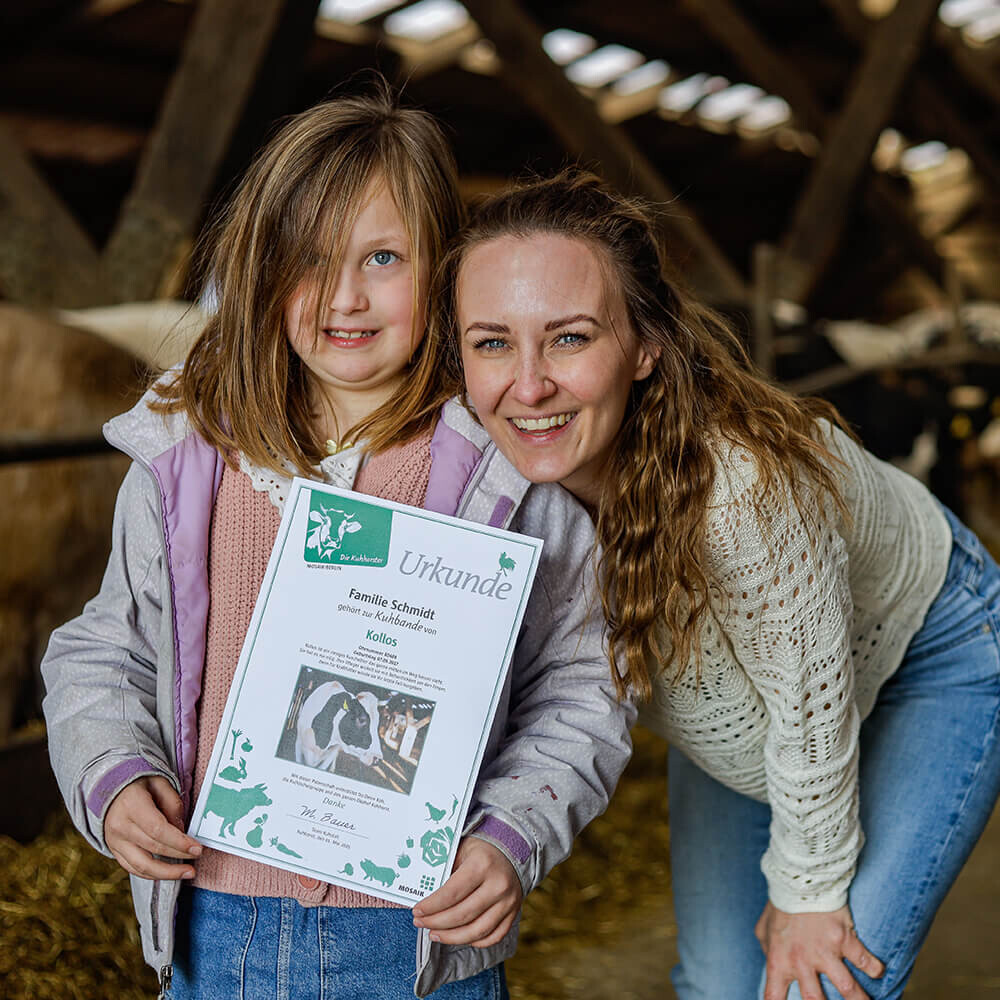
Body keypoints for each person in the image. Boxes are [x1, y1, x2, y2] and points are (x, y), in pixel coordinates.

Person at [41, 101, 634, 1000]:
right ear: (263, 268)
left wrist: (511, 834)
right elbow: (104, 647)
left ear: (442, 268)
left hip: (420, 936)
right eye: (309, 259)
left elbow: (585, 681)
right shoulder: (189, 453)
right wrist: (113, 777)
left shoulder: (505, 472)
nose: (345, 297)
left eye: (383, 259)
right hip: (212, 922)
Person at [440, 168, 1000, 1000]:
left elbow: (808, 706)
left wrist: (807, 887)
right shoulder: (473, 477)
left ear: (646, 346)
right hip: (737, 712)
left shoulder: (738, 493)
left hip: (926, 651)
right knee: (718, 986)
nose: (528, 385)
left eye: (570, 338)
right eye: (492, 343)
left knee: (819, 983)